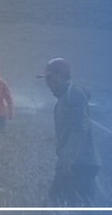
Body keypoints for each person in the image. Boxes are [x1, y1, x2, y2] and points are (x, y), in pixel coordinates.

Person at [40, 57, 101, 206]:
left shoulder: (73, 95)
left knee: (59, 202)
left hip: (79, 164)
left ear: (61, 75)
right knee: (70, 205)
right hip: (80, 162)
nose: (47, 83)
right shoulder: (66, 96)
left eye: (50, 78)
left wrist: (67, 160)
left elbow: (78, 130)